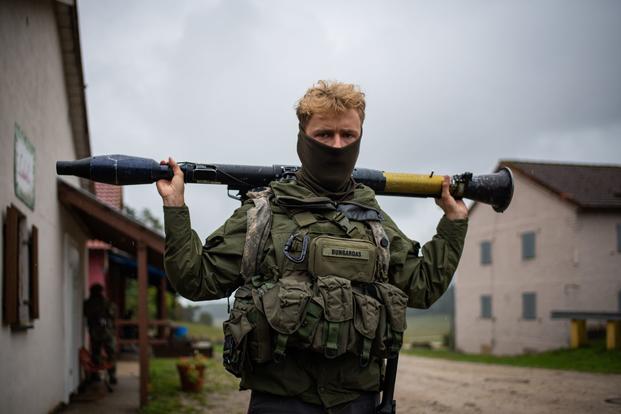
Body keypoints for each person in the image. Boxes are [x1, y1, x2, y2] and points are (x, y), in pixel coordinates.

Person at [158, 80, 468, 413]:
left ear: (360, 137)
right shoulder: (265, 212)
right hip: (280, 401)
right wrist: (175, 207)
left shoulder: (372, 219)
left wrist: (453, 222)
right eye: (324, 135)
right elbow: (196, 279)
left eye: (348, 135)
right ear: (303, 139)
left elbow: (422, 287)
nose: (337, 145)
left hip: (357, 402)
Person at [83, 283, 118, 384]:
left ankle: (96, 375)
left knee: (96, 354)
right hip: (106, 332)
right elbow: (113, 313)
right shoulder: (105, 302)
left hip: (96, 332)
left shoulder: (89, 303)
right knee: (110, 353)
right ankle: (111, 375)